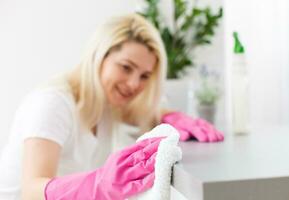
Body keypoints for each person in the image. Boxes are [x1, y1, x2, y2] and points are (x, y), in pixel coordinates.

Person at [0, 13, 223, 200]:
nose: (134, 84)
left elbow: (146, 113)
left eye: (145, 76)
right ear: (99, 56)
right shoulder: (52, 104)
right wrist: (97, 183)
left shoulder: (109, 102)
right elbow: (31, 191)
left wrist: (170, 117)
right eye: (126, 67)